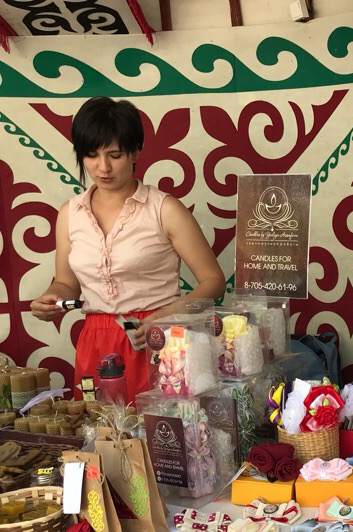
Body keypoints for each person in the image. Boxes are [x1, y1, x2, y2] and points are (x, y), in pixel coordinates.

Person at [30, 97, 225, 403]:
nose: (103, 167)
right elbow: (67, 283)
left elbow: (214, 281)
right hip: (96, 341)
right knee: (99, 427)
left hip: (156, 338)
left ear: (136, 151)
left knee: (159, 427)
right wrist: (52, 299)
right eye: (91, 155)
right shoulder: (70, 214)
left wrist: (167, 316)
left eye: (115, 155)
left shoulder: (164, 209)